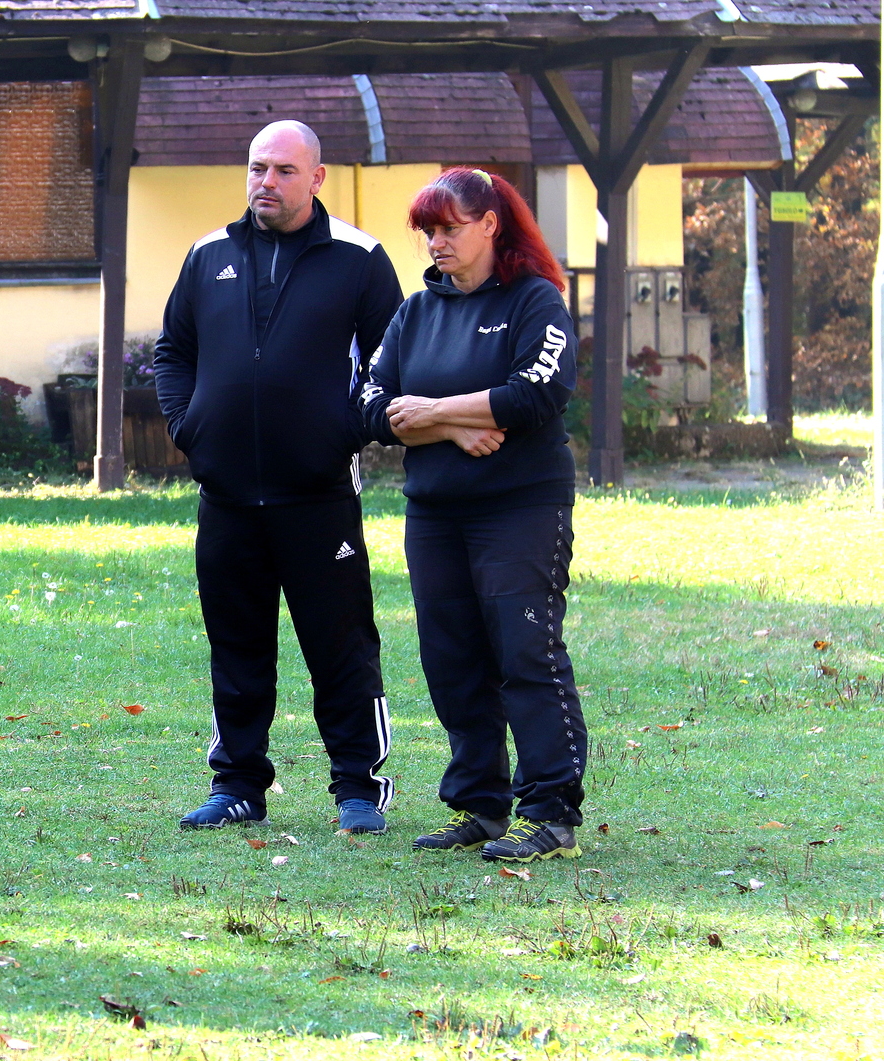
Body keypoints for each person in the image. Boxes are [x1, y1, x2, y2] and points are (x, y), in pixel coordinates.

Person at [154, 120, 405, 835]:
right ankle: (237, 785)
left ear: (317, 178)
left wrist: (344, 430)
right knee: (236, 647)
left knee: (341, 647)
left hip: (318, 495)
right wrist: (189, 426)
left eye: (284, 170)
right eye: (257, 168)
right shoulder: (208, 254)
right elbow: (173, 351)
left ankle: (358, 789)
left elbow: (392, 365)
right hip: (226, 497)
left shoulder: (359, 258)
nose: (266, 182)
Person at [358, 166, 588, 863]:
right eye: (428, 230)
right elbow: (369, 406)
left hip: (520, 507)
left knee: (525, 652)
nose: (436, 242)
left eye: (449, 228)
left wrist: (430, 410)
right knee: (451, 658)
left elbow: (536, 395)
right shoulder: (415, 312)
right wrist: (455, 427)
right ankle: (480, 805)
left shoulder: (535, 300)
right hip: (435, 513)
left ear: (490, 224)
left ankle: (549, 812)